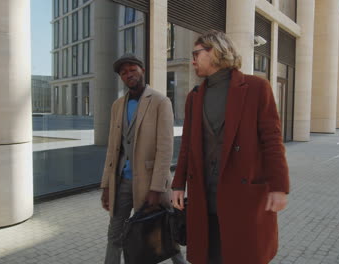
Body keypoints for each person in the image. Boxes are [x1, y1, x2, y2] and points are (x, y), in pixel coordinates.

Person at [171, 30, 290, 264]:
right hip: (204, 195)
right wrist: (178, 184)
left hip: (242, 196)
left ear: (214, 51)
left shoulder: (256, 88)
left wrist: (279, 187)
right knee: (209, 255)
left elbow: (272, 141)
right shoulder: (194, 97)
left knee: (241, 255)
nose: (192, 60)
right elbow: (187, 145)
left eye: (196, 53)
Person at [100, 54, 186, 264]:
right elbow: (112, 149)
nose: (128, 75)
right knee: (115, 234)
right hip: (121, 182)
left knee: (162, 230)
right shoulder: (117, 105)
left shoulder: (160, 101)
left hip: (150, 184)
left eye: (132, 69)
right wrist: (106, 186)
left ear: (142, 71)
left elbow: (165, 149)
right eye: (123, 72)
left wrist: (157, 188)